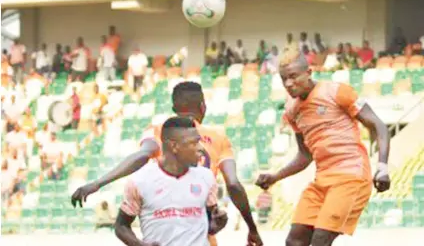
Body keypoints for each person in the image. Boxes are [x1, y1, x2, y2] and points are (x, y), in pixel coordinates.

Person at [71, 81, 263, 246]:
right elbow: (233, 184)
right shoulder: (219, 137)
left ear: (174, 110)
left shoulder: (159, 131)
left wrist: (98, 183)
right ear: (203, 107)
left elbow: (142, 156)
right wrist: (252, 228)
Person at [256, 54, 391, 246]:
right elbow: (305, 155)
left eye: (293, 76)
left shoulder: (336, 92)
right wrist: (275, 177)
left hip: (350, 175)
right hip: (322, 181)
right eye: (284, 78)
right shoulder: (292, 111)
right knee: (295, 241)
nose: (288, 83)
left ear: (309, 73)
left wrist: (383, 167)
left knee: (320, 240)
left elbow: (378, 125)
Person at [115, 116, 227, 246]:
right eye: (194, 142)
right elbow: (121, 226)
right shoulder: (140, 181)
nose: (200, 148)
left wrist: (217, 224)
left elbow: (209, 225)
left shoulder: (206, 177)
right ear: (174, 146)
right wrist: (139, 245)